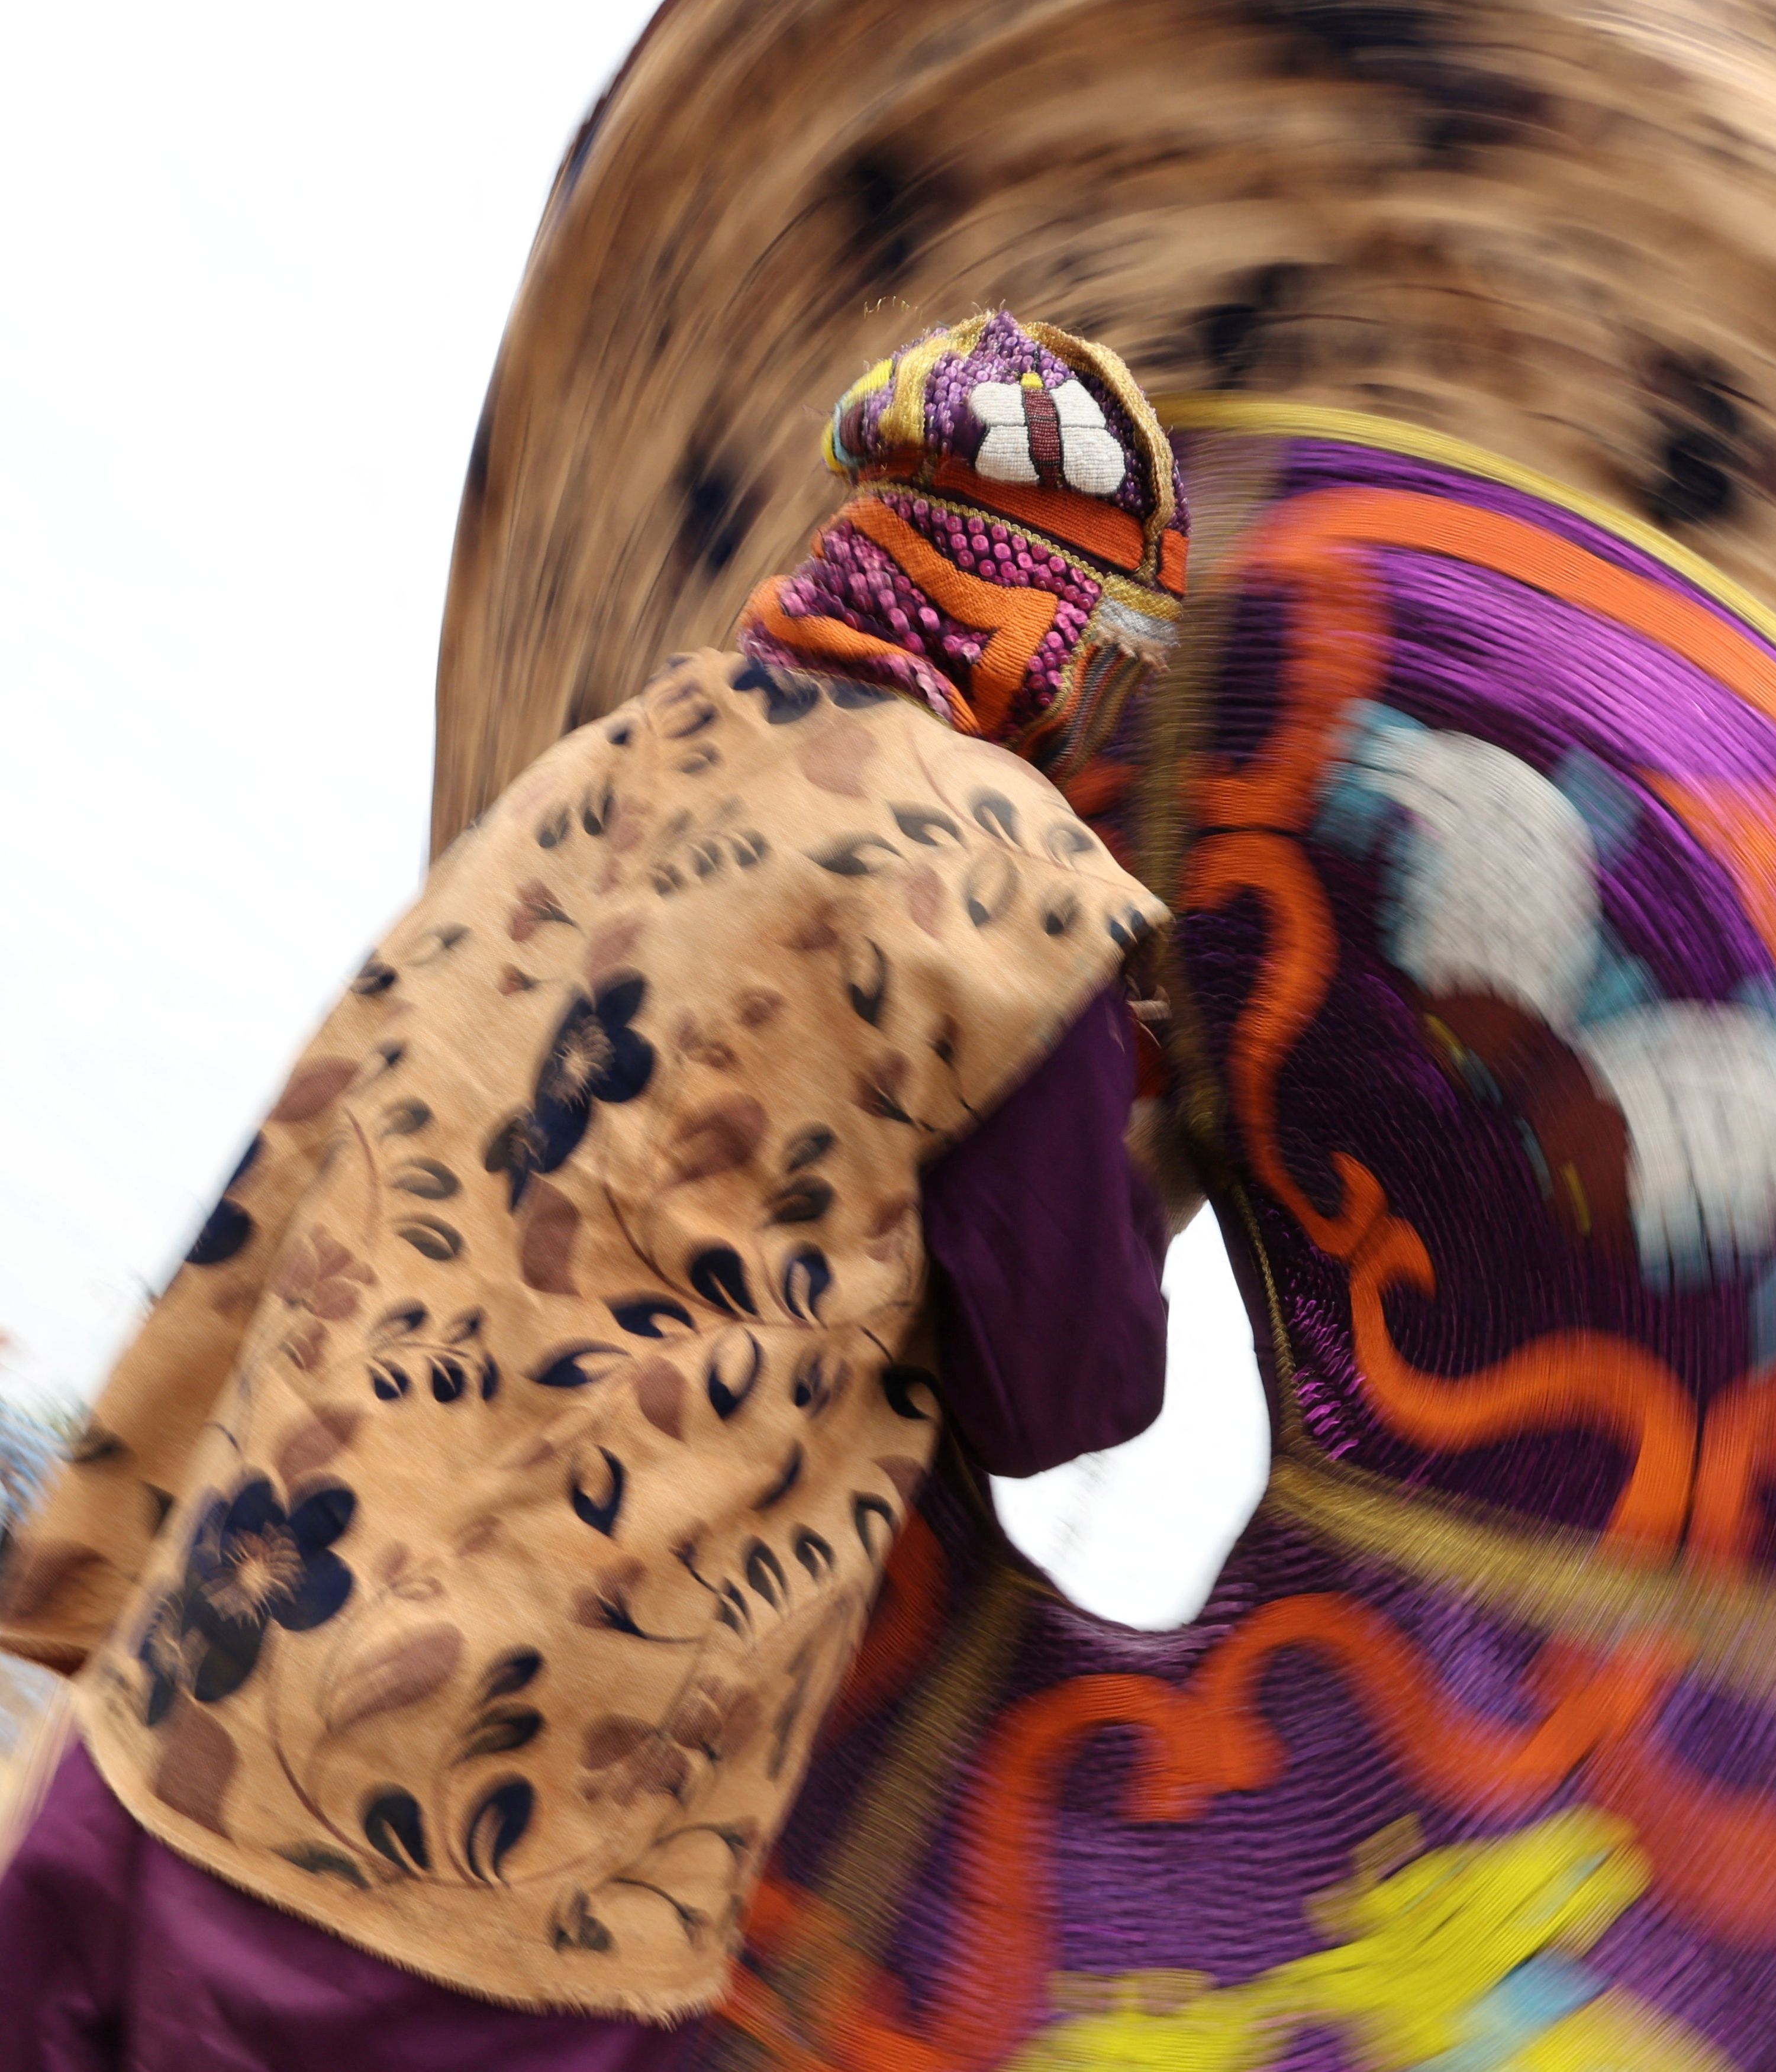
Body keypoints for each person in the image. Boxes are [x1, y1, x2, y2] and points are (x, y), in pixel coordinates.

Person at [0, 311, 1190, 2068]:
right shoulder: (1013, 903)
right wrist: (1164, 1136)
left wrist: (94, 1587)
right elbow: (1071, 1389)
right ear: (1053, 624)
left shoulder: (602, 766)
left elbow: (302, 1154)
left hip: (183, 1735)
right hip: (481, 1896)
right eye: (1124, 651)